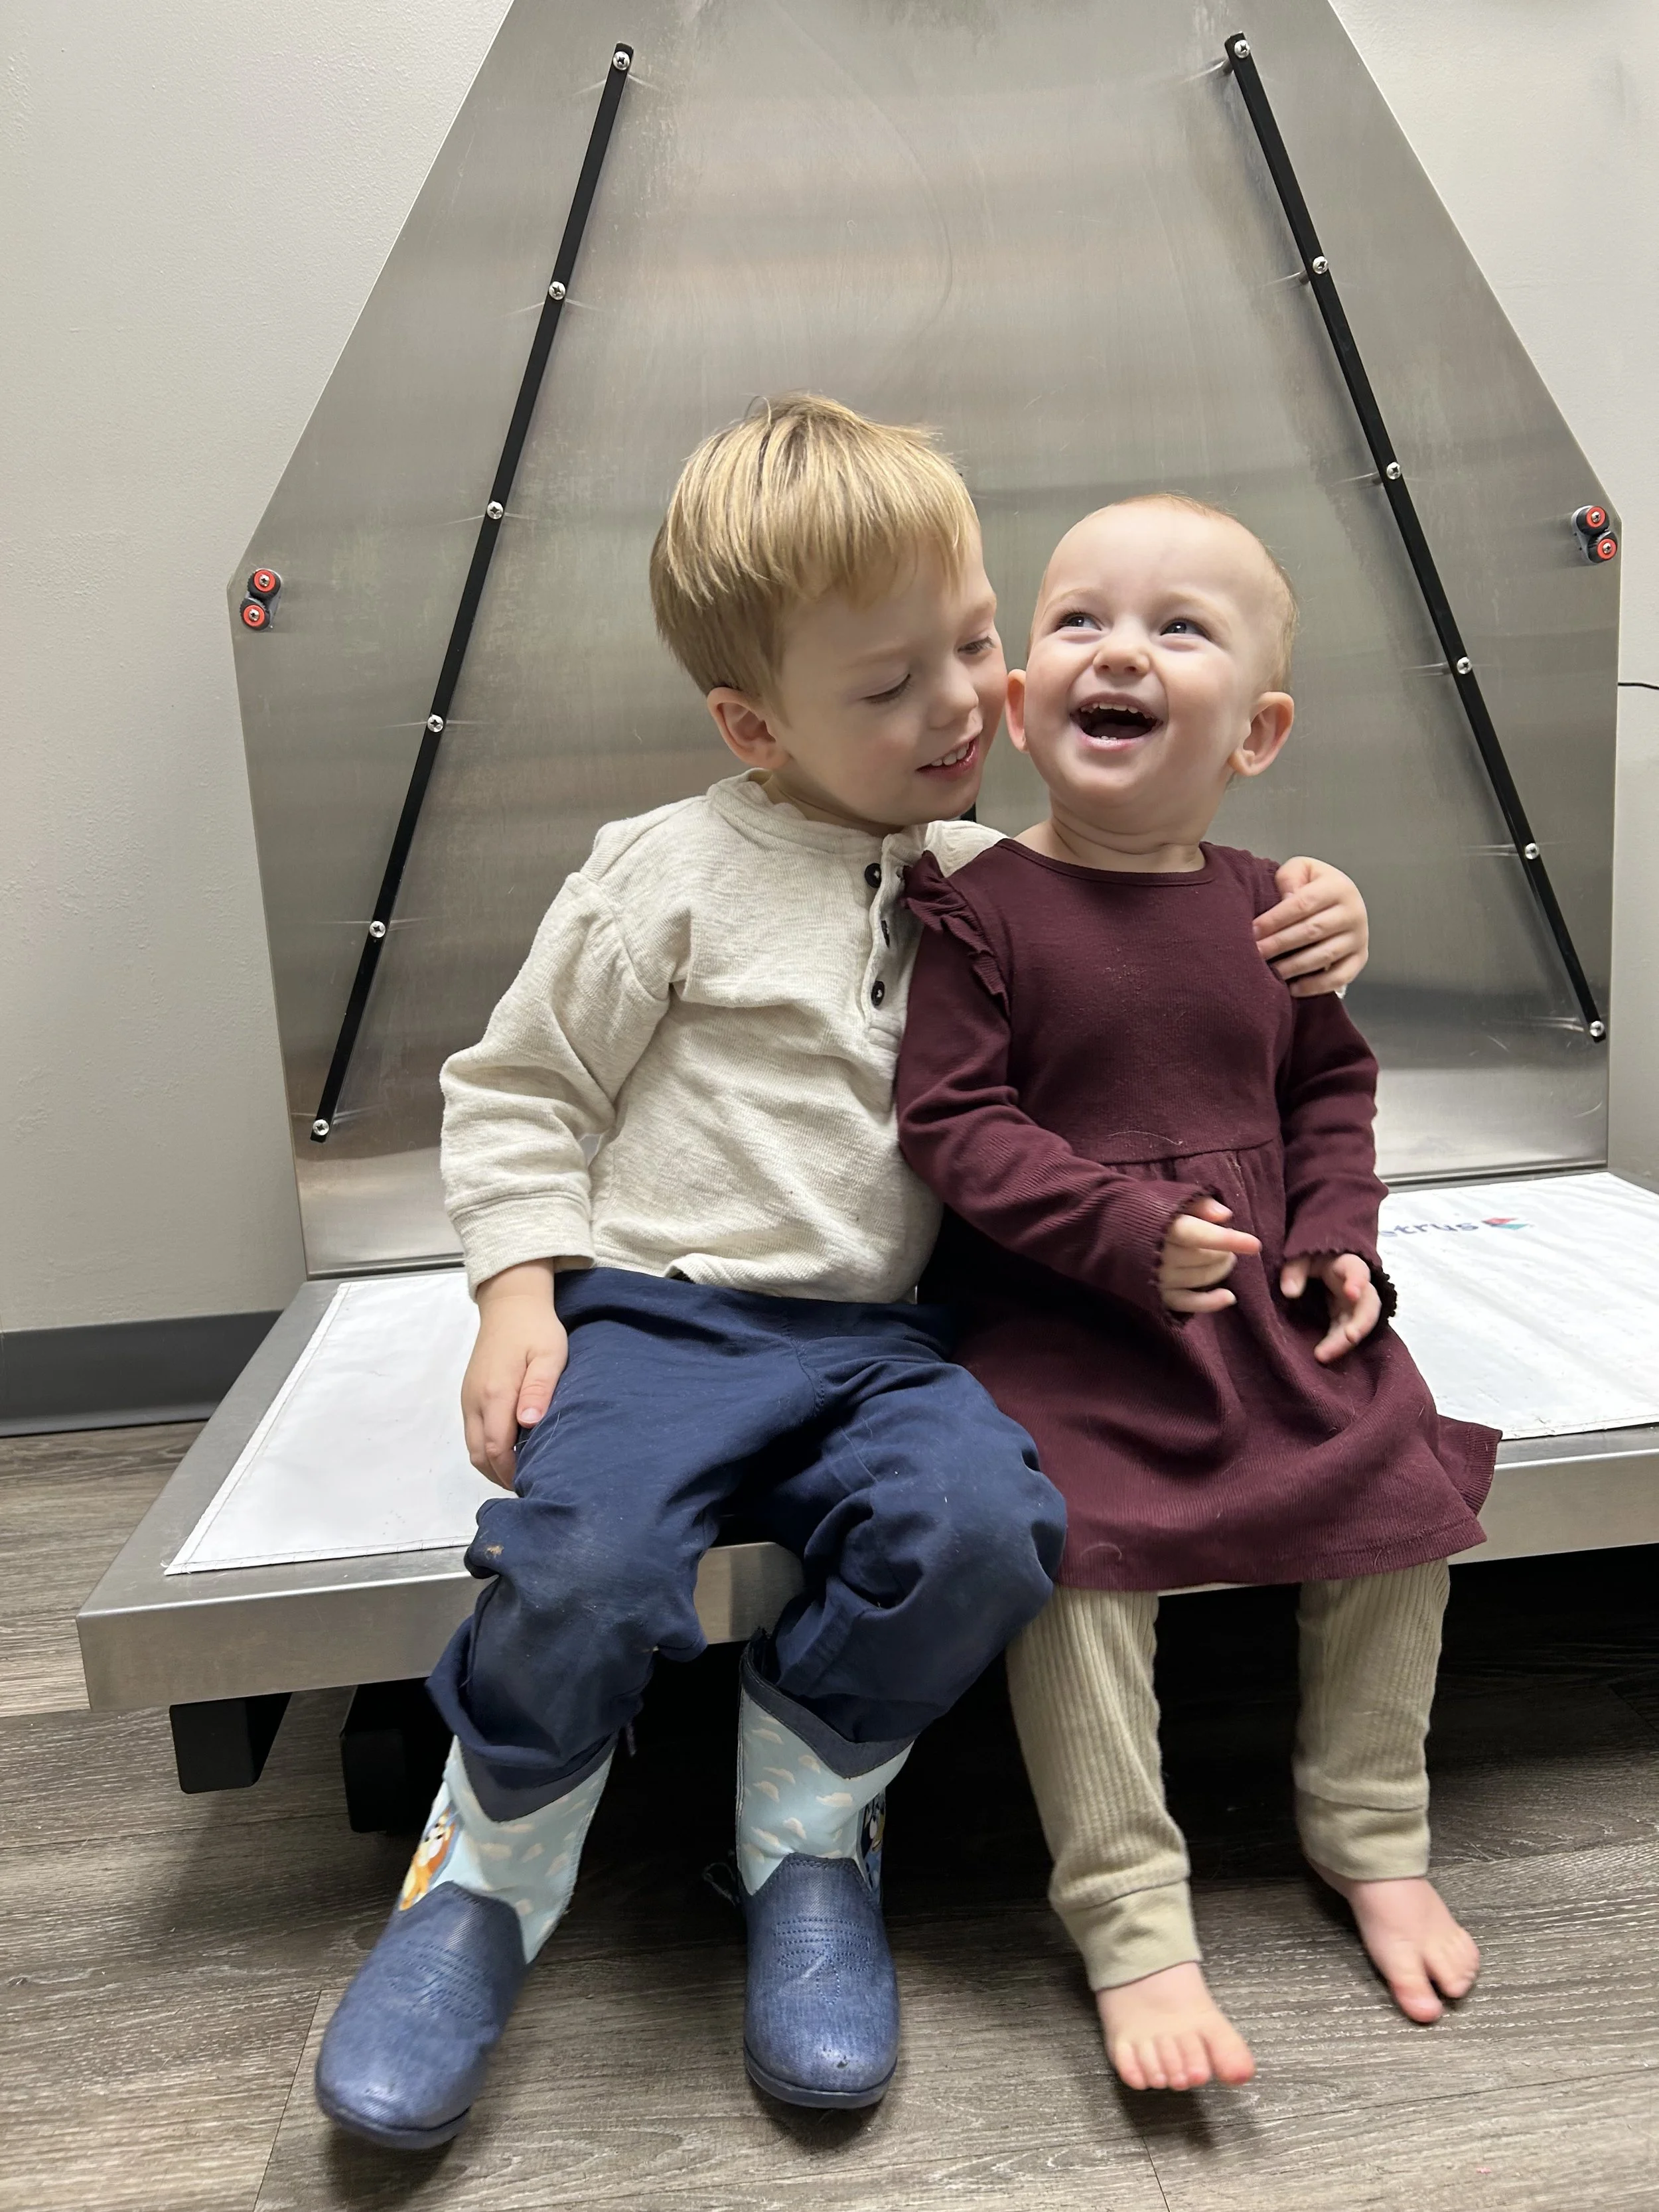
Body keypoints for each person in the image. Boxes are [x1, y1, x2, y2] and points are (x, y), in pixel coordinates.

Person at [314, 402, 1371, 2148]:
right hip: (668, 1313)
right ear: (753, 721)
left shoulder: (995, 875)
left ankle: (806, 1821)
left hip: (892, 1340)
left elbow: (1169, 889)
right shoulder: (664, 873)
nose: (960, 704)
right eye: (887, 688)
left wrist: (1315, 901)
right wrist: (518, 1288)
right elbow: (521, 1091)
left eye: (972, 642)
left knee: (982, 1529)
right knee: (581, 1564)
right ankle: (487, 1866)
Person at [896, 492, 1496, 2097]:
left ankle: (1368, 1829)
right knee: (1072, 1556)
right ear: (1018, 701)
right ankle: (1130, 1917)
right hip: (1068, 1321)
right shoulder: (974, 910)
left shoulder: (1273, 910)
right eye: (1077, 617)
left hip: (1261, 1309)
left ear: (1256, 730)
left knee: (1400, 1488)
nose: (1119, 650)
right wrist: (1117, 1228)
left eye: (1178, 628)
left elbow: (1331, 1095)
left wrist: (1340, 1233)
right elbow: (952, 1128)